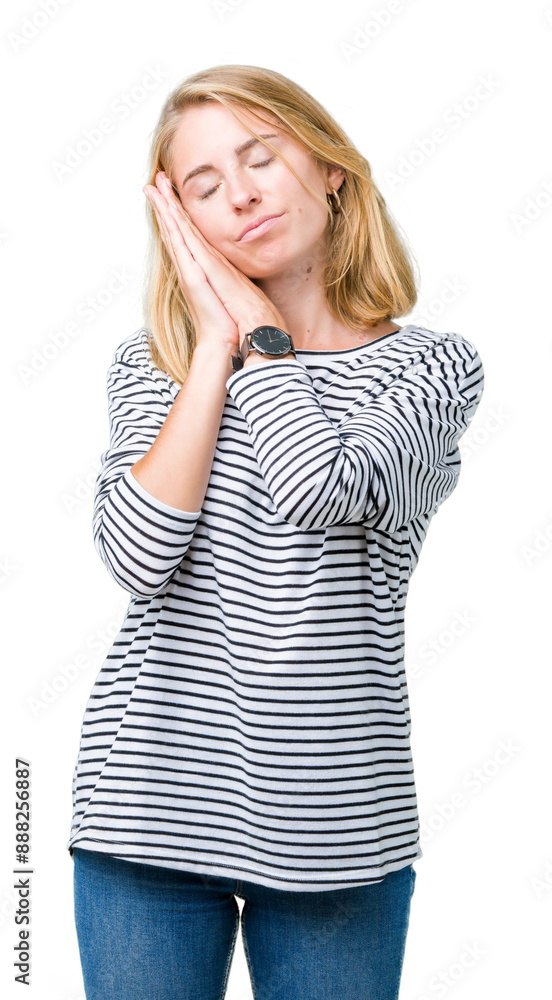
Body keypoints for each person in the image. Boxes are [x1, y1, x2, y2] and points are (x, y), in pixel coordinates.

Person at [67, 64, 485, 1000]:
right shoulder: (155, 365)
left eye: (261, 159)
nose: (242, 196)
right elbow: (136, 557)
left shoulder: (432, 370)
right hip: (150, 806)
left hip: (338, 820)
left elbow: (317, 488)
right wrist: (215, 348)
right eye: (206, 188)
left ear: (330, 167)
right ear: (185, 227)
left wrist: (261, 335)